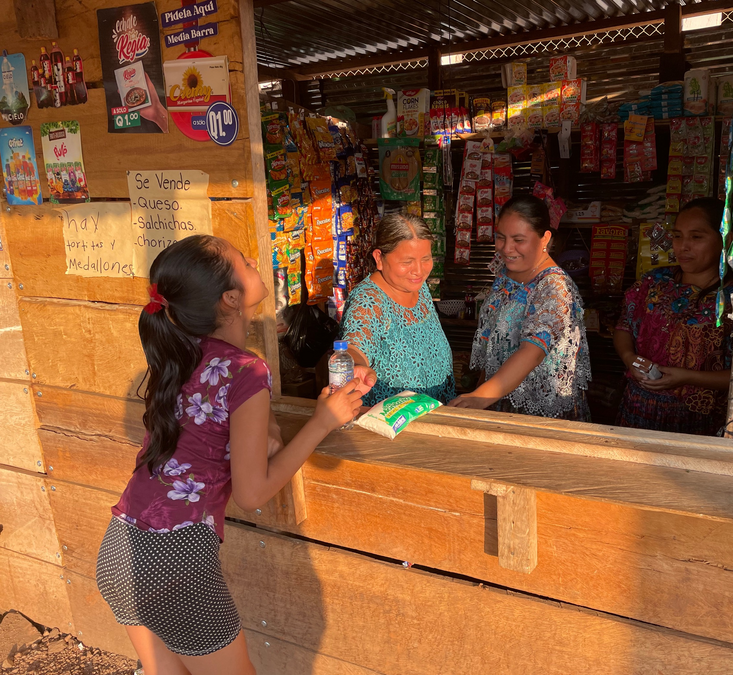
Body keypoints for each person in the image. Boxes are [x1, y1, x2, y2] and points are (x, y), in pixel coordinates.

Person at [96, 235, 362, 675]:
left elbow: (222, 427)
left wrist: (271, 428)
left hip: (120, 549)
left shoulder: (179, 352)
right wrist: (323, 420)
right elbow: (252, 493)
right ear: (232, 299)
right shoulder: (246, 370)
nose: (255, 259)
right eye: (244, 261)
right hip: (175, 565)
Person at [448, 195, 591, 420]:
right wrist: (481, 390)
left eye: (518, 239)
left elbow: (532, 352)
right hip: (499, 400)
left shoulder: (554, 288)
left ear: (545, 239)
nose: (506, 248)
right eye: (501, 237)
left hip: (540, 414)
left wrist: (480, 397)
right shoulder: (506, 276)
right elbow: (495, 346)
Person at [613, 197, 733, 436]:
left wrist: (687, 377)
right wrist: (630, 359)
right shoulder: (654, 282)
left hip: (697, 422)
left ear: (725, 239)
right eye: (678, 236)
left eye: (696, 237)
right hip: (637, 410)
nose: (683, 246)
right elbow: (624, 327)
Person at [340, 213, 456, 405]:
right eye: (407, 262)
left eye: (426, 259)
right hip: (397, 419)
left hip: (437, 407)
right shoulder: (369, 300)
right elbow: (355, 346)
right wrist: (357, 366)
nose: (419, 270)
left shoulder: (418, 285)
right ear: (379, 258)